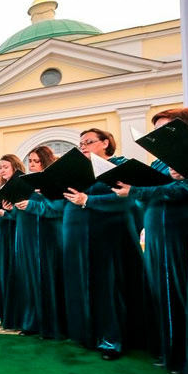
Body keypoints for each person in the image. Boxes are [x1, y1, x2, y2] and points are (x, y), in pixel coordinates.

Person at [113, 108, 188, 373]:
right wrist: (136, 192)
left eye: (164, 129)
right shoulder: (159, 163)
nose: (157, 135)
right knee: (160, 291)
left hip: (179, 231)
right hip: (157, 232)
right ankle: (168, 350)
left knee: (179, 292)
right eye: (156, 130)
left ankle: (187, 356)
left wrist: (136, 190)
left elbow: (182, 189)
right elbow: (148, 196)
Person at [62, 129, 145, 361]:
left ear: (106, 143)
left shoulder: (120, 165)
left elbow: (125, 198)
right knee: (85, 284)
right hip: (82, 236)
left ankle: (112, 339)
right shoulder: (81, 170)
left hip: (111, 236)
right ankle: (89, 334)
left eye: (88, 142)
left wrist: (88, 200)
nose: (83, 146)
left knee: (109, 287)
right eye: (80, 143)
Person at [6, 146, 66, 339]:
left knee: (45, 278)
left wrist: (32, 204)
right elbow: (18, 213)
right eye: (29, 161)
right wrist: (11, 208)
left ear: (45, 161)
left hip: (46, 236)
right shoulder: (25, 182)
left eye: (35, 161)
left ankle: (50, 325)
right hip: (26, 235)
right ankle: (31, 322)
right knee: (28, 279)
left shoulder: (54, 181)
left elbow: (58, 209)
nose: (31, 164)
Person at [0, 155, 20, 329]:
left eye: (5, 167)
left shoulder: (20, 186)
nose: (2, 170)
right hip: (1, 234)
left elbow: (19, 215)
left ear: (15, 167)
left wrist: (6, 213)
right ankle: (7, 315)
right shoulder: (0, 190)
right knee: (3, 274)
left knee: (14, 274)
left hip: (14, 235)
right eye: (0, 167)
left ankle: (17, 316)